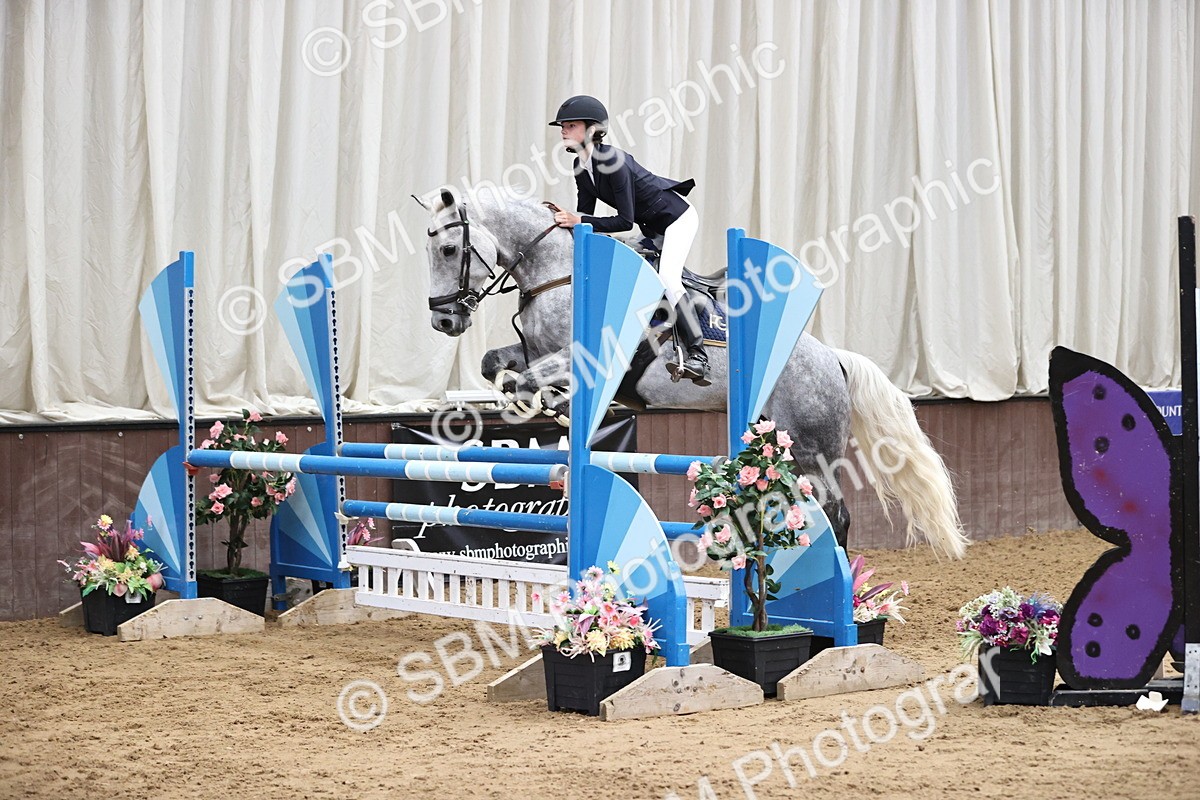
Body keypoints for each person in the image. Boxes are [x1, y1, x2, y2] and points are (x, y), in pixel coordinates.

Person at [547, 95, 709, 384]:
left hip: (677, 220)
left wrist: (579, 220)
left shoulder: (614, 161)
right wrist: (568, 222)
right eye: (562, 126)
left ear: (593, 130)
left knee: (668, 279)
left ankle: (698, 356)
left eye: (570, 125)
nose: (563, 131)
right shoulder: (579, 167)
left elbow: (623, 221)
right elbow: (586, 216)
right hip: (650, 228)